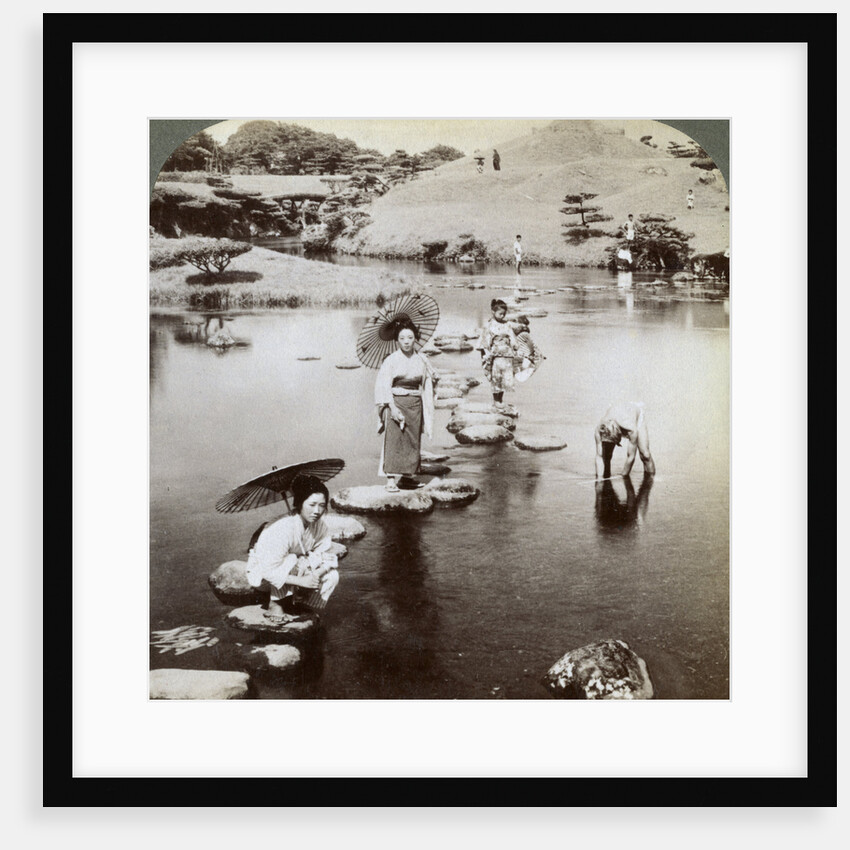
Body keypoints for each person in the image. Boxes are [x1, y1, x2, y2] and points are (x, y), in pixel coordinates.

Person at [245, 474, 340, 618]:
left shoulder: (319, 526)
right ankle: (275, 605)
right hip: (265, 575)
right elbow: (267, 570)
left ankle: (301, 603)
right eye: (312, 505)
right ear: (300, 503)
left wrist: (315, 574)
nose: (317, 511)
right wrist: (302, 580)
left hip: (296, 571)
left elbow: (326, 555)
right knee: (292, 559)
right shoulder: (282, 527)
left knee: (332, 576)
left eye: (321, 505)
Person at [374, 321, 436, 492]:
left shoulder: (421, 358)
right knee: (394, 440)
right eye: (402, 338)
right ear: (397, 340)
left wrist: (433, 380)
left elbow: (426, 383)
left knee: (413, 440)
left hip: (415, 403)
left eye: (410, 337)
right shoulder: (391, 360)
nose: (406, 341)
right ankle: (391, 479)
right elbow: (383, 385)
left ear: (416, 338)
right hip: (396, 402)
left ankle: (408, 477)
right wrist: (392, 408)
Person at [475, 298, 520, 404]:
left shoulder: (507, 325)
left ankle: (501, 400)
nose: (502, 316)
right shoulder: (489, 326)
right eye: (500, 313)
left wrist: (515, 346)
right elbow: (484, 343)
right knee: (496, 379)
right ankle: (496, 401)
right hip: (495, 356)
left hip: (507, 355)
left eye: (504, 314)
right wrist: (486, 355)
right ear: (493, 312)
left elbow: (512, 339)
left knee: (505, 380)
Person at [594, 401, 656, 479]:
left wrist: (623, 476)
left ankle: (651, 478)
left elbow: (631, 457)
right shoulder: (600, 429)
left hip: (634, 412)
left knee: (645, 455)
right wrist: (599, 479)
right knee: (606, 456)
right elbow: (599, 456)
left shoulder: (630, 428)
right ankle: (606, 481)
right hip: (617, 412)